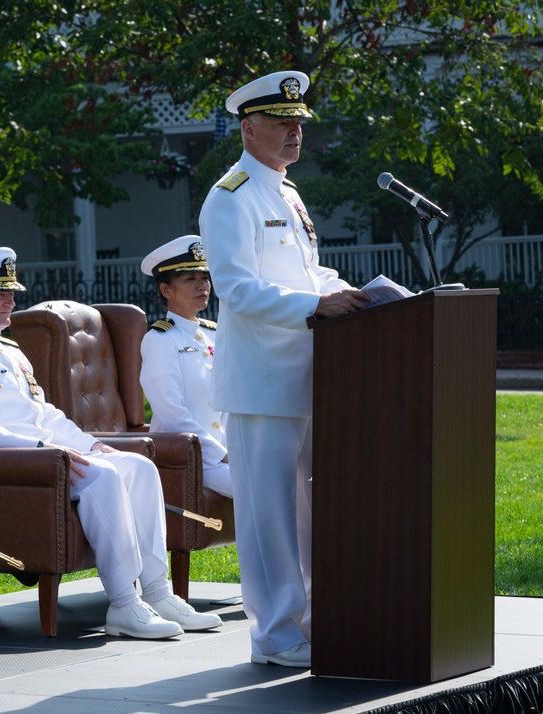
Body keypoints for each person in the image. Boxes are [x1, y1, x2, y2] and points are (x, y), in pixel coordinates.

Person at [0, 247, 222, 639]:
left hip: (50, 456)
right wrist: (41, 450)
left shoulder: (10, 351)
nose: (10, 301)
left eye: (11, 293)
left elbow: (45, 414)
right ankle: (123, 603)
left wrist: (89, 444)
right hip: (22, 464)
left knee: (138, 466)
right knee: (101, 476)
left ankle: (156, 592)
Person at [198, 70, 370, 668]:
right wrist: (315, 306)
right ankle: (274, 634)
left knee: (312, 511)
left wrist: (351, 293)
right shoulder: (231, 196)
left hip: (308, 373)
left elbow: (305, 275)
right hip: (261, 382)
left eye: (299, 123)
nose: (295, 132)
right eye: (281, 122)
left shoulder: (288, 194)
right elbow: (238, 290)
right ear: (249, 127)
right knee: (268, 514)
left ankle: (319, 621)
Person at [139, 236, 232, 499]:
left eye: (204, 277)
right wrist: (220, 453)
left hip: (226, 452)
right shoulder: (159, 339)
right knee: (266, 486)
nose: (202, 285)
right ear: (166, 290)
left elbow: (228, 397)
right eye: (190, 279)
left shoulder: (213, 333)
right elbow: (170, 412)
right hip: (190, 457)